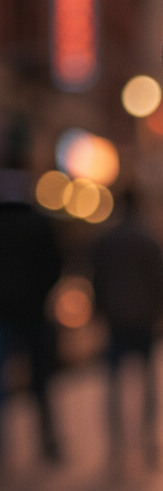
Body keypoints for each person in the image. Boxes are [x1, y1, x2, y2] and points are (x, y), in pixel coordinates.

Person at [90, 190, 163, 472]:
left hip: (116, 319)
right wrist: (161, 310)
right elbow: (161, 280)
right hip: (143, 319)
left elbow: (96, 280)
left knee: (113, 382)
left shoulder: (106, 240)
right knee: (148, 380)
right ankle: (148, 438)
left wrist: (99, 311)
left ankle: (117, 443)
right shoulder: (147, 240)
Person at [0, 171, 64, 466]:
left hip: (7, 315)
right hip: (34, 313)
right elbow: (55, 265)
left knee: (5, 385)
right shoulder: (40, 224)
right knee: (41, 383)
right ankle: (48, 441)